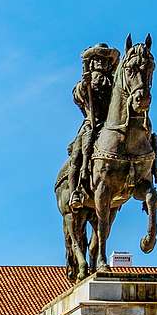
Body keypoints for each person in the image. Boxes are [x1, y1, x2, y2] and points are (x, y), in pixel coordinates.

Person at [67, 43, 120, 210]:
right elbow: (77, 96)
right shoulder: (86, 81)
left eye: (105, 60)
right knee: (77, 154)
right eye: (97, 59)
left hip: (113, 124)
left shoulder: (116, 82)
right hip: (92, 122)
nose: (101, 62)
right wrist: (84, 85)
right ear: (91, 62)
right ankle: (75, 191)